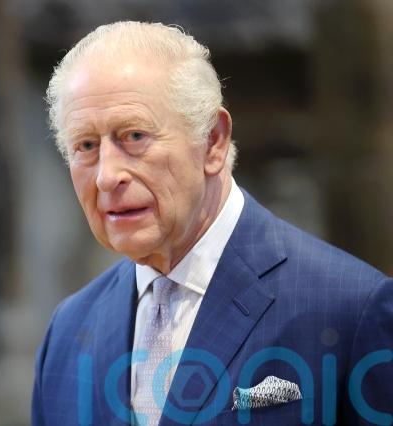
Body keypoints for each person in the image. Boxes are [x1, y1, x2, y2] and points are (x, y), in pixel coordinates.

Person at [31, 21, 393, 425]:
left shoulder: (349, 307)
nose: (106, 175)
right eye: (86, 146)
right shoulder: (66, 333)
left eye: (134, 136)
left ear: (213, 141)